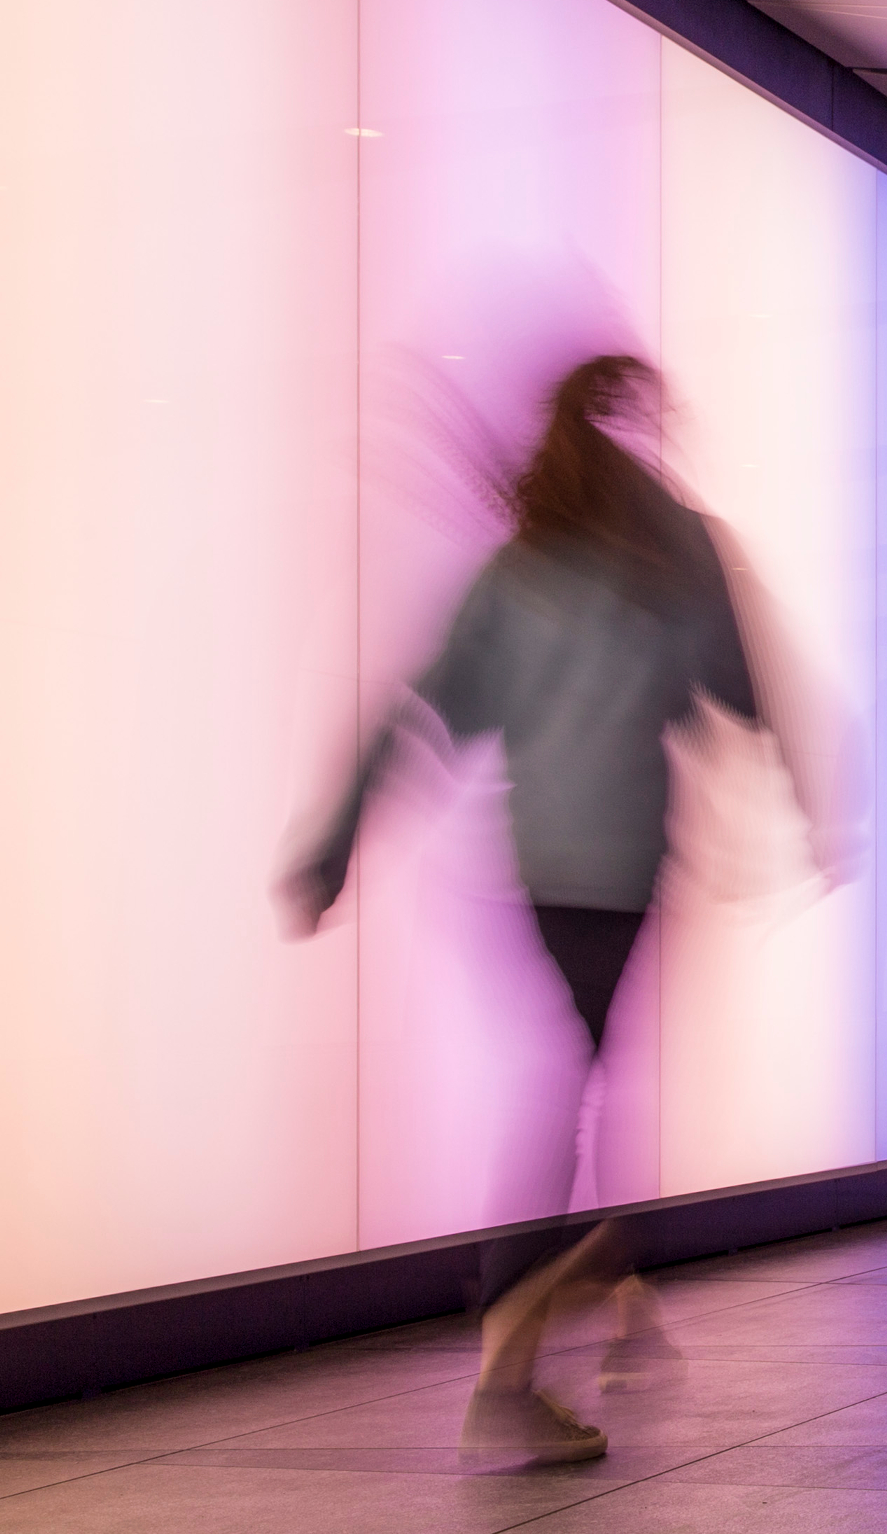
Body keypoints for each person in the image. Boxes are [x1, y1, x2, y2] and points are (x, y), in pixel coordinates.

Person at [282, 353, 774, 1466]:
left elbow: (423, 713)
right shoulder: (664, 558)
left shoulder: (519, 571)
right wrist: (793, 782)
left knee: (572, 1085)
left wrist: (336, 833)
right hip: (619, 867)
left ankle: (596, 1288)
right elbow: (738, 686)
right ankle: (520, 1351)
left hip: (539, 868)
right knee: (571, 1097)